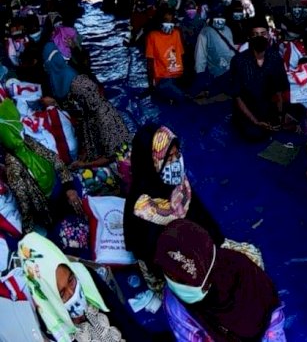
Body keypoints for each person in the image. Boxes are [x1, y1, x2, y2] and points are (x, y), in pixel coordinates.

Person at [124, 123, 225, 291]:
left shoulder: (178, 185)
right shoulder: (143, 209)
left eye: (177, 154)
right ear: (151, 162)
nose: (176, 162)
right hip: (172, 269)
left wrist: (214, 245)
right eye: (168, 158)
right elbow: (153, 255)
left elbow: (201, 216)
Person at [155, 219, 284, 342]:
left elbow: (272, 316)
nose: (173, 284)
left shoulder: (242, 267)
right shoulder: (175, 304)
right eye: (169, 275)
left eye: (183, 281)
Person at [18, 232, 150, 342]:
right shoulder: (51, 325)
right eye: (62, 294)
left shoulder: (85, 275)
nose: (73, 293)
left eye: (71, 280)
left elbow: (122, 318)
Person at [0, 97, 81, 234]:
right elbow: (24, 203)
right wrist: (28, 234)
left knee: (78, 209)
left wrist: (69, 187)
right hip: (49, 207)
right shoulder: (13, 166)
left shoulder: (27, 141)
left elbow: (53, 158)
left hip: (60, 187)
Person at [229, 16, 291, 142]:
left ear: (268, 35)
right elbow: (237, 97)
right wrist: (255, 121)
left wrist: (280, 115)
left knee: (295, 116)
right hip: (248, 109)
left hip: (268, 106)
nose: (259, 37)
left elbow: (280, 90)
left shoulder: (275, 58)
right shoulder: (239, 61)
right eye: (255, 34)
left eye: (263, 34)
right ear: (249, 37)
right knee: (255, 134)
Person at [145, 10, 187, 104]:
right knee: (182, 98)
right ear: (160, 21)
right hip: (163, 78)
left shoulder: (176, 33)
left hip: (178, 76)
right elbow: (149, 63)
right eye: (166, 21)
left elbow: (180, 55)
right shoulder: (153, 36)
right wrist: (151, 86)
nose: (169, 24)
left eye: (171, 21)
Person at [194, 12, 236, 97]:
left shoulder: (227, 29)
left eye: (222, 18)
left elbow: (231, 48)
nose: (220, 21)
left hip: (231, 67)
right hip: (217, 70)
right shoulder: (205, 32)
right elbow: (200, 54)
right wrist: (200, 72)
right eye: (217, 18)